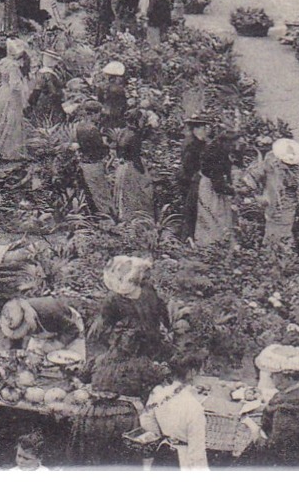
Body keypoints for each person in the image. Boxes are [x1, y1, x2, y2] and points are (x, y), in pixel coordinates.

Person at [85, 256, 173, 399]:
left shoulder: (148, 292)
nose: (122, 286)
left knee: (150, 373)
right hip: (124, 343)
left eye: (126, 281)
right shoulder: (113, 299)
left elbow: (161, 310)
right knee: (123, 372)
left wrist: (166, 327)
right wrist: (120, 335)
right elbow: (106, 324)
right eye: (118, 281)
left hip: (150, 340)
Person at [256, 344, 299, 465]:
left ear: (286, 377)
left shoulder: (286, 409)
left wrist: (259, 439)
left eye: (274, 374)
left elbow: (278, 445)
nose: (270, 377)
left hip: (290, 459)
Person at [143, 353, 209, 470]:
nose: (201, 374)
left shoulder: (157, 393)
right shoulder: (193, 406)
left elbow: (146, 420)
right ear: (192, 372)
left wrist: (163, 434)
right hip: (182, 459)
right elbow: (197, 451)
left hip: (162, 453)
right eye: (200, 371)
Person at [249, 138, 299, 257]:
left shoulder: (297, 171)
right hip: (273, 206)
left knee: (282, 235)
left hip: (287, 209)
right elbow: (255, 176)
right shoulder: (270, 163)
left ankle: (278, 258)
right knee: (273, 232)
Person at [0, 39, 32, 162]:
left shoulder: (2, 62)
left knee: (1, 117)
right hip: (12, 94)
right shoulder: (13, 66)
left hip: (2, 92)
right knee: (12, 120)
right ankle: (9, 152)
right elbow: (15, 84)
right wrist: (24, 89)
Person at [177, 115, 214, 240]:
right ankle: (188, 237)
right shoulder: (192, 145)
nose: (206, 130)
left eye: (205, 127)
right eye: (203, 127)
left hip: (197, 180)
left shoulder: (200, 143)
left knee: (195, 209)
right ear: (196, 129)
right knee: (191, 209)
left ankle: (191, 236)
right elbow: (188, 166)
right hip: (191, 180)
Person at [112, 130, 156, 225]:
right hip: (131, 169)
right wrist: (143, 172)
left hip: (122, 167)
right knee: (137, 194)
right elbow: (135, 157)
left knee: (123, 194)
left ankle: (124, 218)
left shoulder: (122, 132)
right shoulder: (135, 135)